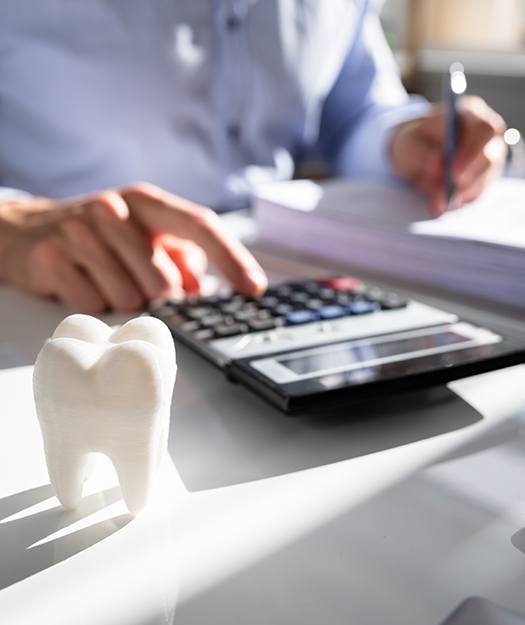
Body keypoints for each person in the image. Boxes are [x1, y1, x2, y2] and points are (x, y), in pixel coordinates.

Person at [0, 1, 506, 313]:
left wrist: (404, 140)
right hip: (66, 301)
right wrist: (10, 226)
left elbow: (353, 112)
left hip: (282, 288)